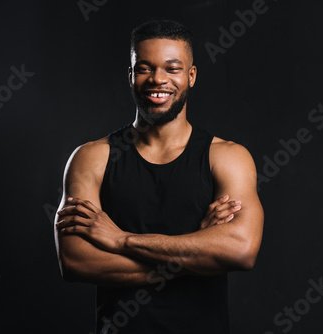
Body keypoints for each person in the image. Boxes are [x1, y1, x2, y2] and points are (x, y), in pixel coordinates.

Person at [54, 19, 264, 334]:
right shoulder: (91, 158)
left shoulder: (227, 157)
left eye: (172, 68)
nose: (157, 79)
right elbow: (76, 262)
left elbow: (241, 250)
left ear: (191, 76)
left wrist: (120, 240)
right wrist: (197, 251)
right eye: (144, 68)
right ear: (130, 75)